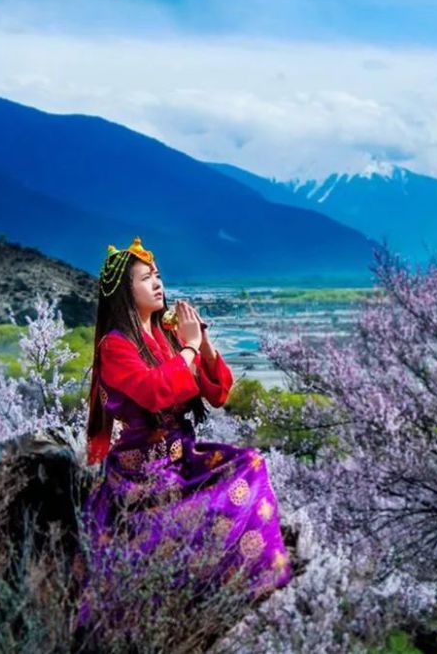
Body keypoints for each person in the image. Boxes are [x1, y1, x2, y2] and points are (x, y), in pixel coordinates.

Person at [77, 236, 291, 633]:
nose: (157, 283)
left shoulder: (167, 335)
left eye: (157, 275)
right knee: (180, 523)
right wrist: (188, 349)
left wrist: (202, 343)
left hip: (183, 455)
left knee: (251, 463)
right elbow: (156, 392)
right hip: (141, 473)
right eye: (145, 279)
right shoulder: (115, 346)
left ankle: (251, 575)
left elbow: (218, 393)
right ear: (125, 291)